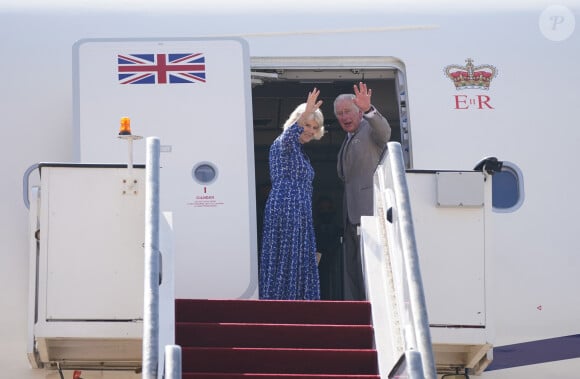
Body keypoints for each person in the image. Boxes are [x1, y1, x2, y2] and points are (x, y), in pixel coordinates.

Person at [259, 88, 325, 300]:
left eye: (314, 127)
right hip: (286, 206)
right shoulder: (283, 144)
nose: (310, 130)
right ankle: (282, 299)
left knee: (298, 254)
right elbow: (289, 136)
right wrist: (305, 113)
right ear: (297, 122)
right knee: (287, 254)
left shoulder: (299, 152)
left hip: (300, 209)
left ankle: (297, 298)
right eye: (307, 124)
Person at [335, 82, 391, 300]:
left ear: (359, 111)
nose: (343, 117)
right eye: (339, 114)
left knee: (368, 268)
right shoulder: (347, 139)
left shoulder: (369, 130)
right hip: (350, 217)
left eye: (347, 111)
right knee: (352, 270)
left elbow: (385, 132)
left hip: (368, 212)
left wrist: (369, 111)